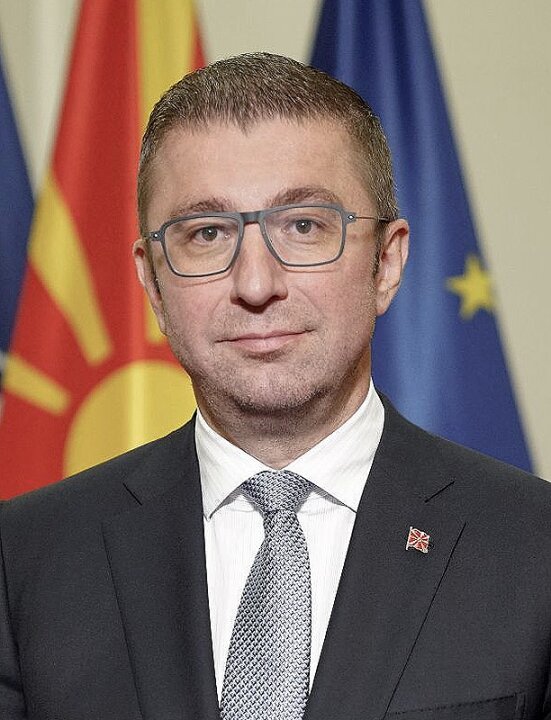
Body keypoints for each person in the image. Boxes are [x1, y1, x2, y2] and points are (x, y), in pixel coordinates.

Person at [1, 52, 550, 720]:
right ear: (153, 284)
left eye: (304, 226)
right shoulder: (24, 560)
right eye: (207, 233)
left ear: (386, 263)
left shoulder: (534, 547)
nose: (256, 284)